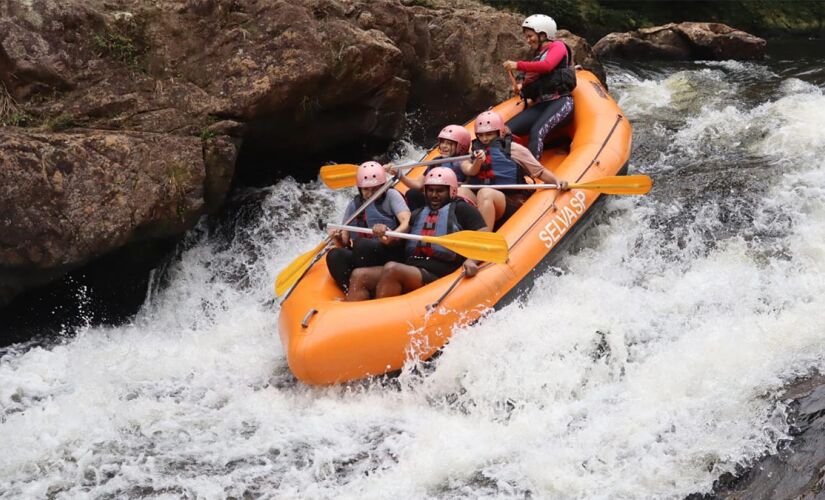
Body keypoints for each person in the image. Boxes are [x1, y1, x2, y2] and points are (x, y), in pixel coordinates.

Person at [346, 167, 488, 301]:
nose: (434, 195)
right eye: (430, 190)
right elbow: (395, 239)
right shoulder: (418, 213)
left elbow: (484, 235)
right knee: (359, 275)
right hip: (412, 267)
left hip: (440, 271)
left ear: (452, 191)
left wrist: (472, 260)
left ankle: (380, 316)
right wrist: (385, 233)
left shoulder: (462, 209)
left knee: (392, 269)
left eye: (440, 191)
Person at [462, 110, 568, 230]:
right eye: (481, 135)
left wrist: (557, 181)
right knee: (460, 192)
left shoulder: (515, 149)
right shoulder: (474, 152)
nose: (485, 139)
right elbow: (469, 171)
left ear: (500, 132)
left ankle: (482, 240)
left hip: (511, 201)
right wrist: (477, 161)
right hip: (483, 201)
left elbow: (540, 172)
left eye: (489, 134)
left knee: (485, 193)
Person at [325, 161, 411, 292]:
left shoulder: (391, 196)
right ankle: (352, 290)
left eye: (375, 188)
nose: (370, 193)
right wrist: (336, 237)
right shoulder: (355, 205)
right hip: (364, 255)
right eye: (366, 189)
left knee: (362, 245)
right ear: (360, 189)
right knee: (334, 255)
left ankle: (372, 287)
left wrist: (389, 234)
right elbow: (343, 243)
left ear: (383, 185)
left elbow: (406, 222)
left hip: (391, 251)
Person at [502, 14, 576, 161]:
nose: (528, 40)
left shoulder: (558, 46)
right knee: (504, 130)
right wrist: (522, 87)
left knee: (537, 131)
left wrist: (517, 65)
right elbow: (540, 80)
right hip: (542, 104)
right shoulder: (539, 55)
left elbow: (547, 66)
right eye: (527, 37)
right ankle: (502, 165)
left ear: (543, 34)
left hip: (560, 102)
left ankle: (530, 174)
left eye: (530, 36)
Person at [389, 124, 474, 211]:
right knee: (413, 193)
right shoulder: (436, 161)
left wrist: (477, 159)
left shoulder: (465, 160)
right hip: (435, 198)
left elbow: (471, 171)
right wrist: (400, 175)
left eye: (449, 143)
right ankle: (418, 220)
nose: (444, 146)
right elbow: (418, 185)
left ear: (461, 147)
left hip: (451, 199)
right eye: (442, 142)